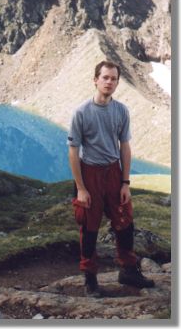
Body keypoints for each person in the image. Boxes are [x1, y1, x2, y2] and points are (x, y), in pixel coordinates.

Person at [67, 60, 154, 296]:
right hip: (90, 173)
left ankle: (128, 271)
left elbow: (124, 146)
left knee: (125, 220)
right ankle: (90, 278)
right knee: (89, 225)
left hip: (114, 172)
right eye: (105, 77)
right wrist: (81, 188)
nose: (109, 82)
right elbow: (73, 152)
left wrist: (125, 182)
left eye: (113, 78)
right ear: (95, 80)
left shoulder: (121, 110)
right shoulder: (81, 112)